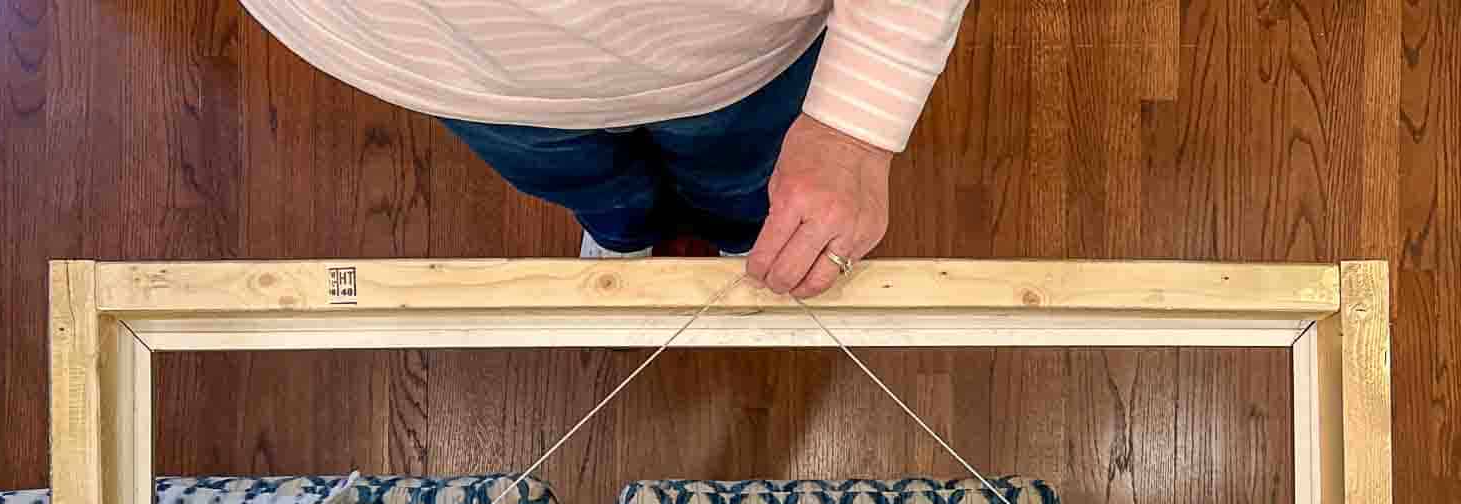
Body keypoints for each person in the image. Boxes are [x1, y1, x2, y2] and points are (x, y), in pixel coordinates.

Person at [236, 1, 969, 297]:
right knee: (588, 187)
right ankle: (624, 230)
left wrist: (855, 118)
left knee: (740, 180)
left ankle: (736, 232)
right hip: (448, 69)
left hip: (735, 52)